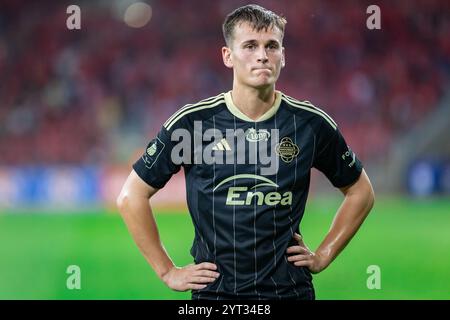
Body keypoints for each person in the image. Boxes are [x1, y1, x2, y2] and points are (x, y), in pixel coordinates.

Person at [117, 4, 375, 300]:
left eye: (272, 46)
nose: (262, 55)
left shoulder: (310, 124)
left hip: (290, 292)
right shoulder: (192, 123)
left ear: (283, 56)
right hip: (216, 296)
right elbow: (131, 196)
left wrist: (323, 254)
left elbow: (361, 191)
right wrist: (167, 271)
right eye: (250, 45)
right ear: (228, 56)